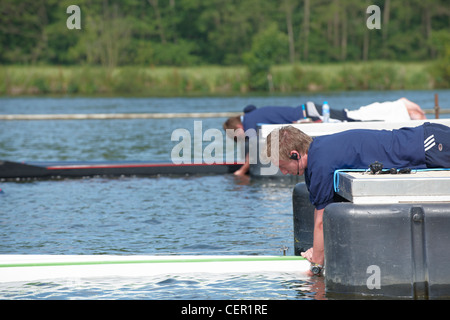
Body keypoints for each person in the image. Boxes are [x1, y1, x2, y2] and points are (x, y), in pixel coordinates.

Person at [264, 122, 450, 276]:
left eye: (282, 165)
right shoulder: (317, 153)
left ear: (295, 154)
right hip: (426, 138)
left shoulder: (320, 163)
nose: (283, 172)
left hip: (429, 144)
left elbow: (321, 222)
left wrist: (316, 267)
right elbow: (319, 212)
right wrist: (316, 249)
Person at [223, 98, 426, 175]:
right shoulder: (250, 113)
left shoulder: (248, 123)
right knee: (350, 115)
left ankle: (399, 106)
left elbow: (252, 151)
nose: (239, 139)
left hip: (311, 115)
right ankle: (399, 107)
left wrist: (241, 172)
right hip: (308, 110)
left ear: (237, 126)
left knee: (353, 119)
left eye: (236, 135)